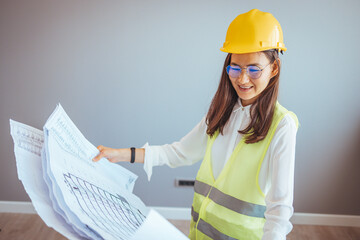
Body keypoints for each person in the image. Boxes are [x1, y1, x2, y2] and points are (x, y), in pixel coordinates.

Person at [92, 8, 299, 240]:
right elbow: (179, 153)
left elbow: (279, 211)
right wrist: (121, 154)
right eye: (235, 67)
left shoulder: (282, 126)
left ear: (274, 69)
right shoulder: (220, 111)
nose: (242, 79)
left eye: (254, 69)